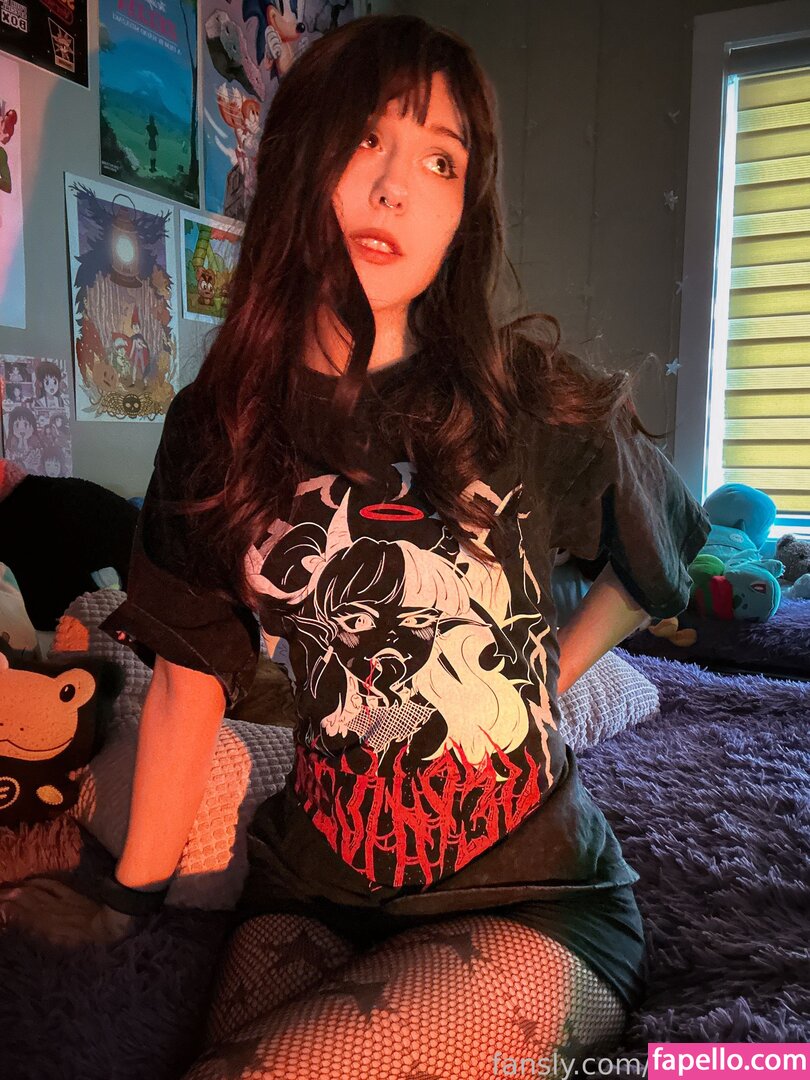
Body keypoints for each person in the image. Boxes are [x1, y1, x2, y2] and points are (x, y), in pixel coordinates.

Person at [0, 15, 709, 1079]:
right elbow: (191, 678)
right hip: (315, 886)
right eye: (365, 140)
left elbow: (668, 541)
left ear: (464, 210)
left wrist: (551, 678)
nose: (395, 189)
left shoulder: (521, 397)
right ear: (300, 160)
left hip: (534, 899)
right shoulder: (218, 427)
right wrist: (130, 894)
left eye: (440, 161)